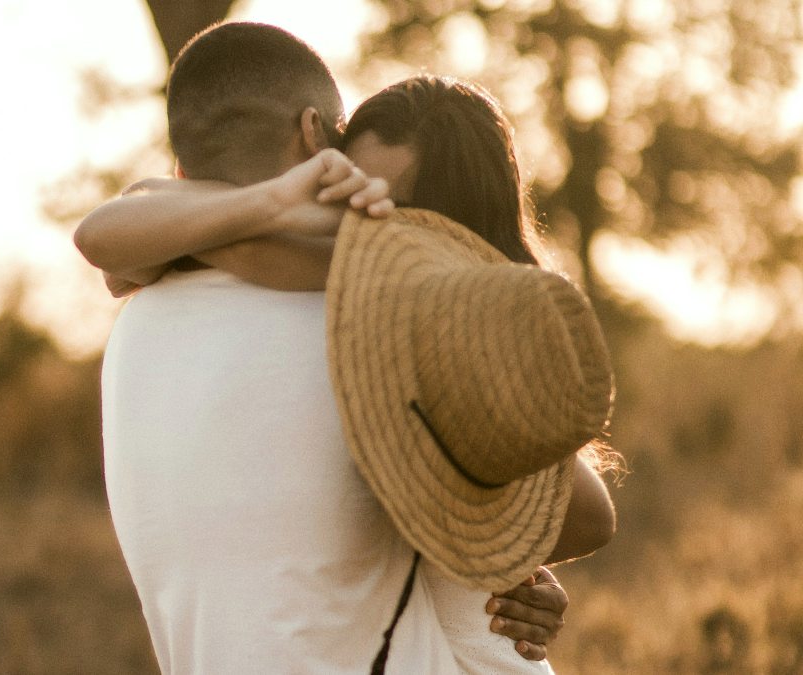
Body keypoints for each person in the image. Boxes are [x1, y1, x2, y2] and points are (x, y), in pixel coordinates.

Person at [77, 23, 614, 673]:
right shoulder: (354, 319)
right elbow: (586, 514)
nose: (371, 220)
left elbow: (116, 234)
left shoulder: (144, 311)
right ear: (314, 136)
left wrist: (497, 548)